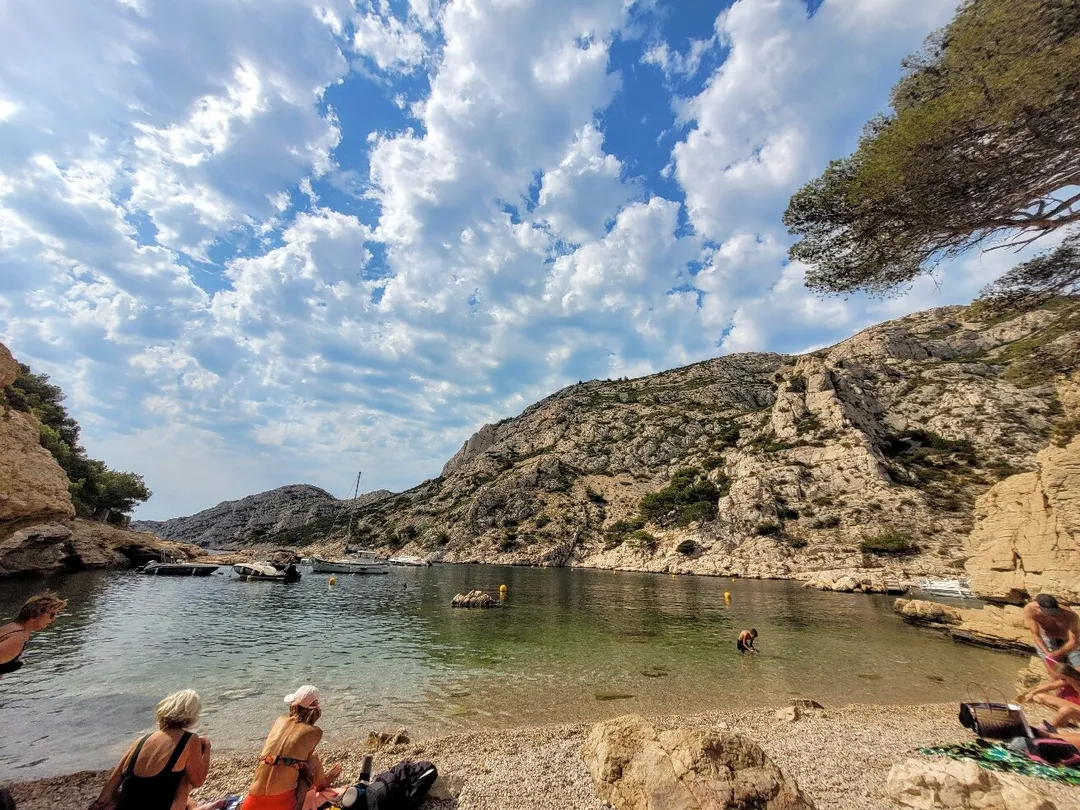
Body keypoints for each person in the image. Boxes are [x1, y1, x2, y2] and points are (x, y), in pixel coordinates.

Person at [91, 689, 211, 810]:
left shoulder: (141, 740)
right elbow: (197, 781)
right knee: (186, 776)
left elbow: (113, 781)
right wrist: (206, 749)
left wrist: (105, 803)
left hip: (126, 806)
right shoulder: (189, 739)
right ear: (192, 715)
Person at [242, 685, 343, 810]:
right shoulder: (316, 732)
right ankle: (323, 783)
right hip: (281, 804)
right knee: (312, 758)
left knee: (281, 762)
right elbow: (306, 756)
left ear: (293, 706)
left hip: (251, 802)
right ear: (316, 710)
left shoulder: (279, 720)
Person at [0, 591, 67, 679]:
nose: (53, 619)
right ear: (34, 615)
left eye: (57, 615)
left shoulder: (13, 627)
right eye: (51, 615)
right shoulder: (18, 638)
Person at [1017, 660, 1080, 730]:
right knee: (1039, 696)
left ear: (1069, 676)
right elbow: (1050, 686)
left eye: (1063, 678)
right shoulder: (1069, 680)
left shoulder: (1074, 681)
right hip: (1074, 704)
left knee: (1065, 710)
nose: (1062, 680)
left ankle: (1051, 728)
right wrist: (1032, 692)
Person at [1023, 594, 1080, 669]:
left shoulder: (1071, 616)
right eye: (1049, 613)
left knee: (1078, 667)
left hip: (1067, 640)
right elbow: (1036, 635)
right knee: (1055, 670)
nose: (1052, 615)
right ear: (1039, 607)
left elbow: (1073, 641)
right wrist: (1047, 653)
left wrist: (1057, 653)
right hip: (1047, 638)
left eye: (1054, 612)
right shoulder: (1030, 609)